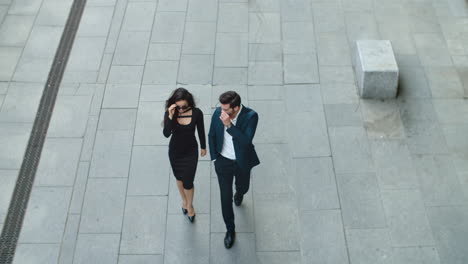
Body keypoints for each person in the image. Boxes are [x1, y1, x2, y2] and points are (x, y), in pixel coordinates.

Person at [208, 91, 260, 249]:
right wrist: (215, 158)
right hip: (223, 161)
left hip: (241, 161)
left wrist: (229, 125)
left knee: (243, 187)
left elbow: (245, 142)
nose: (222, 112)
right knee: (225, 198)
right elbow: (211, 135)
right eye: (221, 108)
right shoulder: (219, 113)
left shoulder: (251, 116)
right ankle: (230, 229)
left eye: (226, 110)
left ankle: (239, 193)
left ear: (236, 108)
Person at [163, 88, 206, 223]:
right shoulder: (170, 113)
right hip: (175, 152)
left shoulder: (197, 113)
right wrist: (170, 116)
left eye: (184, 106)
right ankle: (184, 200)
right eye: (178, 106)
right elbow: (166, 133)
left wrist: (203, 146)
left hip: (190, 152)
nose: (181, 109)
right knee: (179, 178)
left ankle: (189, 205)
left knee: (188, 181)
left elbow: (201, 130)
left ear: (189, 103)